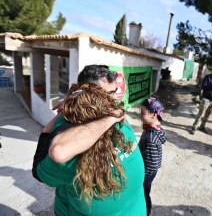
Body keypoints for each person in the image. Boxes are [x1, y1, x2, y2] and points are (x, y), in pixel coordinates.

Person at [36, 65, 146, 215]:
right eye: (109, 94)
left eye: (114, 92)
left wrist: (60, 117)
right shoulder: (120, 120)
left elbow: (42, 170)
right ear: (92, 93)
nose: (113, 99)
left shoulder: (116, 119)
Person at [139, 97, 167, 216]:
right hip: (150, 171)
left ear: (153, 115)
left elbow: (152, 163)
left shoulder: (151, 137)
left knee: (144, 193)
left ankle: (146, 211)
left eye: (143, 113)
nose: (140, 116)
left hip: (147, 172)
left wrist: (143, 176)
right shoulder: (155, 127)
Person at [190, 66, 212, 134]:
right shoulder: (207, 77)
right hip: (206, 99)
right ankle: (194, 127)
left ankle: (202, 127)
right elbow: (204, 87)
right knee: (200, 114)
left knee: (207, 115)